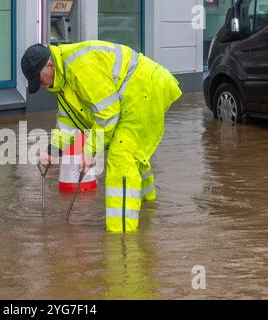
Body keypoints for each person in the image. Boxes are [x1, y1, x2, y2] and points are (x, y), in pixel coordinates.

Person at [21, 40, 182, 233]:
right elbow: (68, 122)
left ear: (48, 64)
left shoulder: (80, 65)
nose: (41, 85)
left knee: (121, 159)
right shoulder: (62, 81)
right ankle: (149, 209)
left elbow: (107, 114)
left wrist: (90, 153)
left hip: (143, 91)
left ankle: (121, 238)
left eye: (39, 79)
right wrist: (50, 152)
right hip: (135, 94)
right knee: (135, 156)